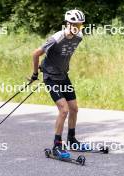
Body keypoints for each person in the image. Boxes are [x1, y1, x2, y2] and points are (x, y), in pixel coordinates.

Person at [31, 10, 86, 158]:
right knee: (64, 110)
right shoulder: (56, 38)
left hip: (63, 76)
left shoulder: (79, 37)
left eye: (80, 25)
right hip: (50, 77)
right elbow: (36, 53)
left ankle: (72, 140)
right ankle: (56, 145)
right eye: (75, 24)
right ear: (68, 23)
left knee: (74, 108)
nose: (77, 27)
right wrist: (36, 73)